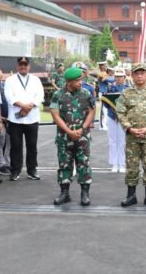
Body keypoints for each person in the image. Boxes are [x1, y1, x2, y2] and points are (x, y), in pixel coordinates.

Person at [116, 63, 146, 208]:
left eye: (142, 73)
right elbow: (120, 112)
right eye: (137, 73)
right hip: (132, 136)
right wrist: (129, 128)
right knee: (132, 166)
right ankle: (131, 196)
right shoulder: (126, 93)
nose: (139, 76)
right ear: (132, 75)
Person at [49, 67, 96, 206]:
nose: (80, 82)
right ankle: (64, 193)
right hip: (64, 136)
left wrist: (83, 128)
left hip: (82, 136)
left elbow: (92, 111)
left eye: (81, 79)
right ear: (69, 81)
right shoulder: (58, 94)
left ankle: (85, 193)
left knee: (83, 163)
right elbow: (55, 114)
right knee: (64, 164)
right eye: (77, 80)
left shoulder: (86, 93)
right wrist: (68, 131)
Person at [4, 57, 44, 181]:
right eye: (21, 65)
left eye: (25, 65)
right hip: (16, 119)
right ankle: (15, 170)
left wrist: (29, 107)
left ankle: (32, 170)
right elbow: (9, 97)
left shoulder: (36, 80)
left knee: (32, 146)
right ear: (17, 66)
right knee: (16, 146)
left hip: (32, 118)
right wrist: (23, 106)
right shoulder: (10, 80)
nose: (23, 67)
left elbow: (40, 96)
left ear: (29, 66)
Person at [104, 68, 129, 172]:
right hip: (112, 117)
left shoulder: (128, 89)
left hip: (124, 118)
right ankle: (114, 163)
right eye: (117, 76)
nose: (119, 78)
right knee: (113, 141)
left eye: (121, 76)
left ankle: (122, 164)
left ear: (124, 77)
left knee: (123, 141)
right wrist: (113, 112)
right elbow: (106, 103)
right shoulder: (110, 88)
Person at [0, 64, 11, 175]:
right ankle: (1, 165)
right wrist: (1, 119)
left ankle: (8, 163)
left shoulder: (5, 84)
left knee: (10, 143)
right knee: (0, 143)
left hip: (10, 119)